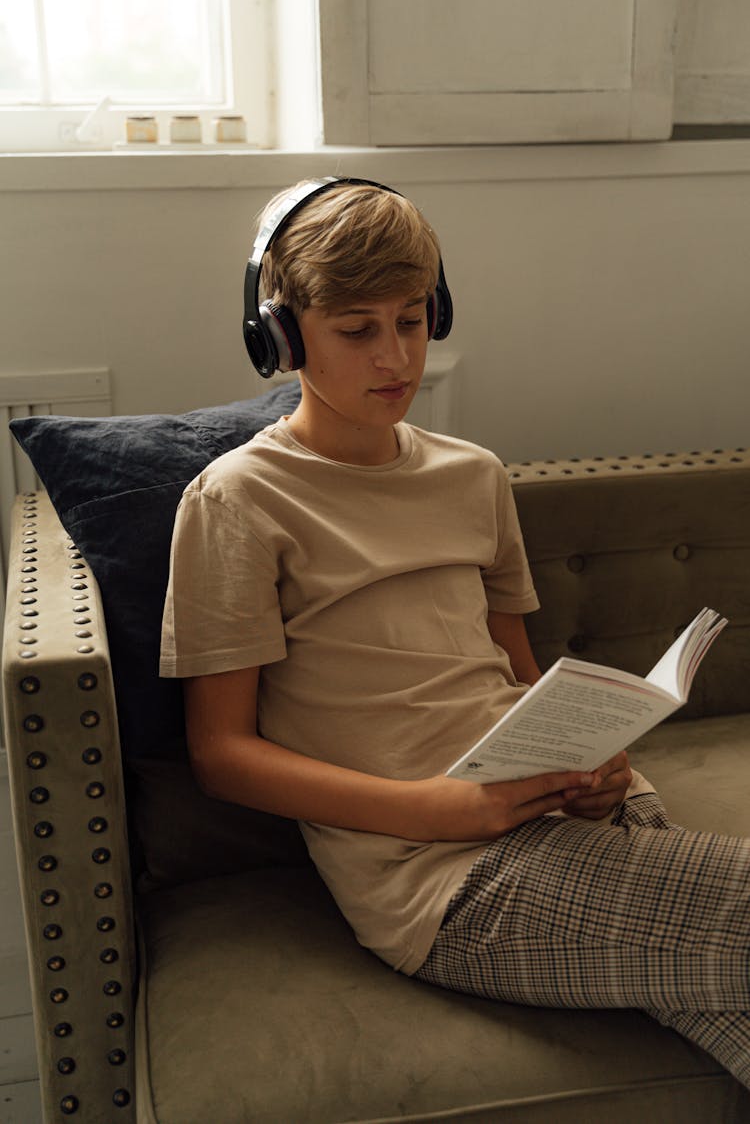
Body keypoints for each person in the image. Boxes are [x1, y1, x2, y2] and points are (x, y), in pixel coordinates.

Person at [160, 177, 750, 1088]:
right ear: (278, 334)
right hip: (441, 882)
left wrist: (599, 765)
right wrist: (436, 809)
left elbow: (520, 678)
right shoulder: (237, 500)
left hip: (569, 813)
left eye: (411, 319)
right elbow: (221, 754)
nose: (396, 356)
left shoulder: (473, 475)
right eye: (356, 329)